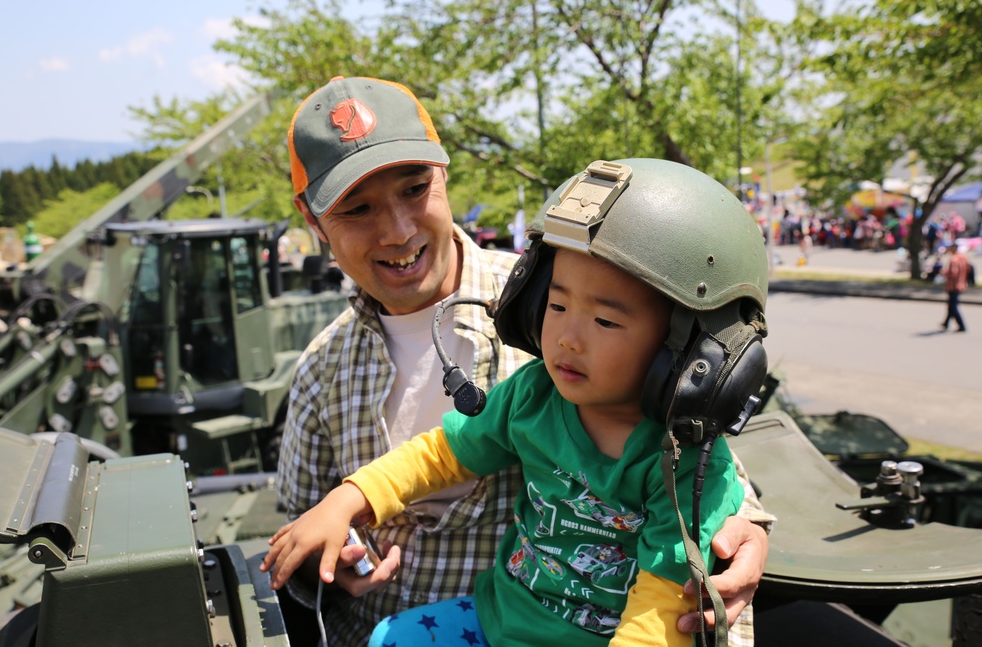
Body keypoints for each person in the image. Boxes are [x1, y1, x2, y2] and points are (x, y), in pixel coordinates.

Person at [273, 76, 773, 646]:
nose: (398, 230)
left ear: (443, 176)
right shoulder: (322, 369)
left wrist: (744, 533)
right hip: (428, 624)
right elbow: (298, 540)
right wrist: (332, 568)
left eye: (414, 190)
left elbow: (701, 445)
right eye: (357, 209)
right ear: (313, 222)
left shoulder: (570, 280)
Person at [940, 243, 970, 332]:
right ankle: (946, 323)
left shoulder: (953, 260)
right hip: (962, 283)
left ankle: (961, 325)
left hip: (953, 285)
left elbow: (953, 273)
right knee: (951, 304)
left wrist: (944, 272)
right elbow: (968, 268)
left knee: (953, 306)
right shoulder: (963, 257)